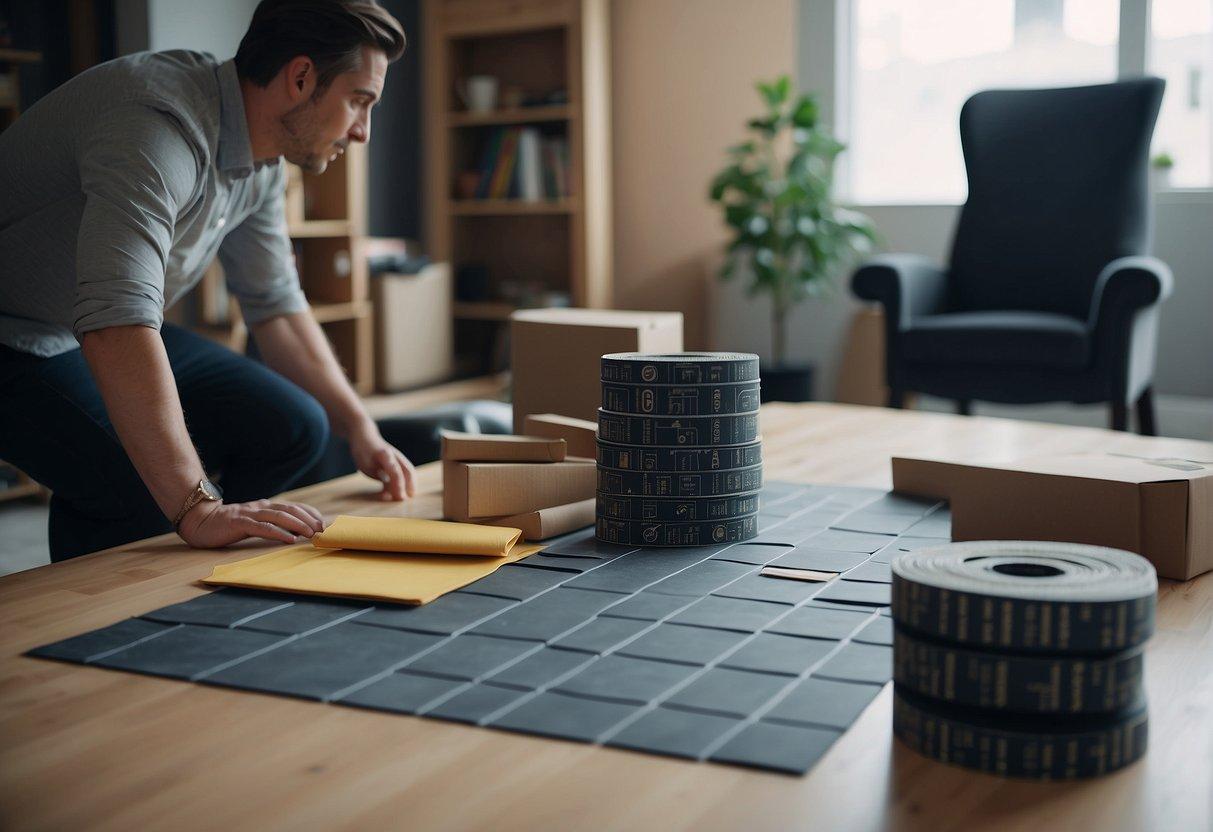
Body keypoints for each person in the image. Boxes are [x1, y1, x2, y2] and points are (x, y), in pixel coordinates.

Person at [0, 1, 416, 561]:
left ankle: (212, 575)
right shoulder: (155, 126)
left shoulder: (262, 157)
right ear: (300, 78)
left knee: (294, 425)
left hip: (91, 322)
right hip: (16, 335)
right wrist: (195, 506)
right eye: (359, 101)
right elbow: (116, 316)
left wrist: (360, 428)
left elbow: (275, 306)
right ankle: (101, 614)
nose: (364, 130)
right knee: (142, 486)